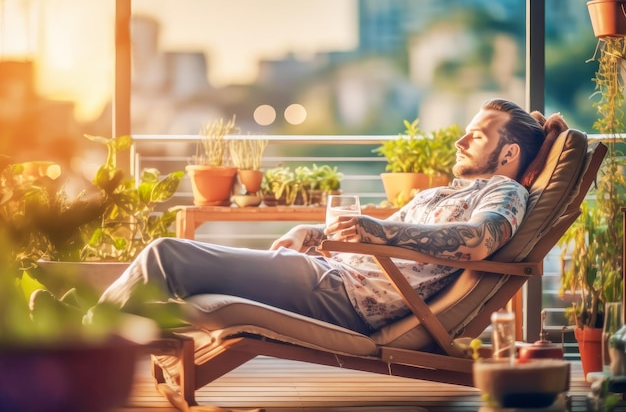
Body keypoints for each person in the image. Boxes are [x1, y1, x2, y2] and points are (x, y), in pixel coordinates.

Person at [35, 98, 563, 336]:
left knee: (167, 255)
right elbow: (385, 240)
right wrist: (316, 234)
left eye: (477, 134)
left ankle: (74, 335)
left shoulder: (502, 194)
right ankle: (83, 320)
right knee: (172, 268)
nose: (461, 139)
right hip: (330, 275)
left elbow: (476, 242)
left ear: (509, 154)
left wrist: (381, 229)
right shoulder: (444, 191)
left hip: (344, 299)